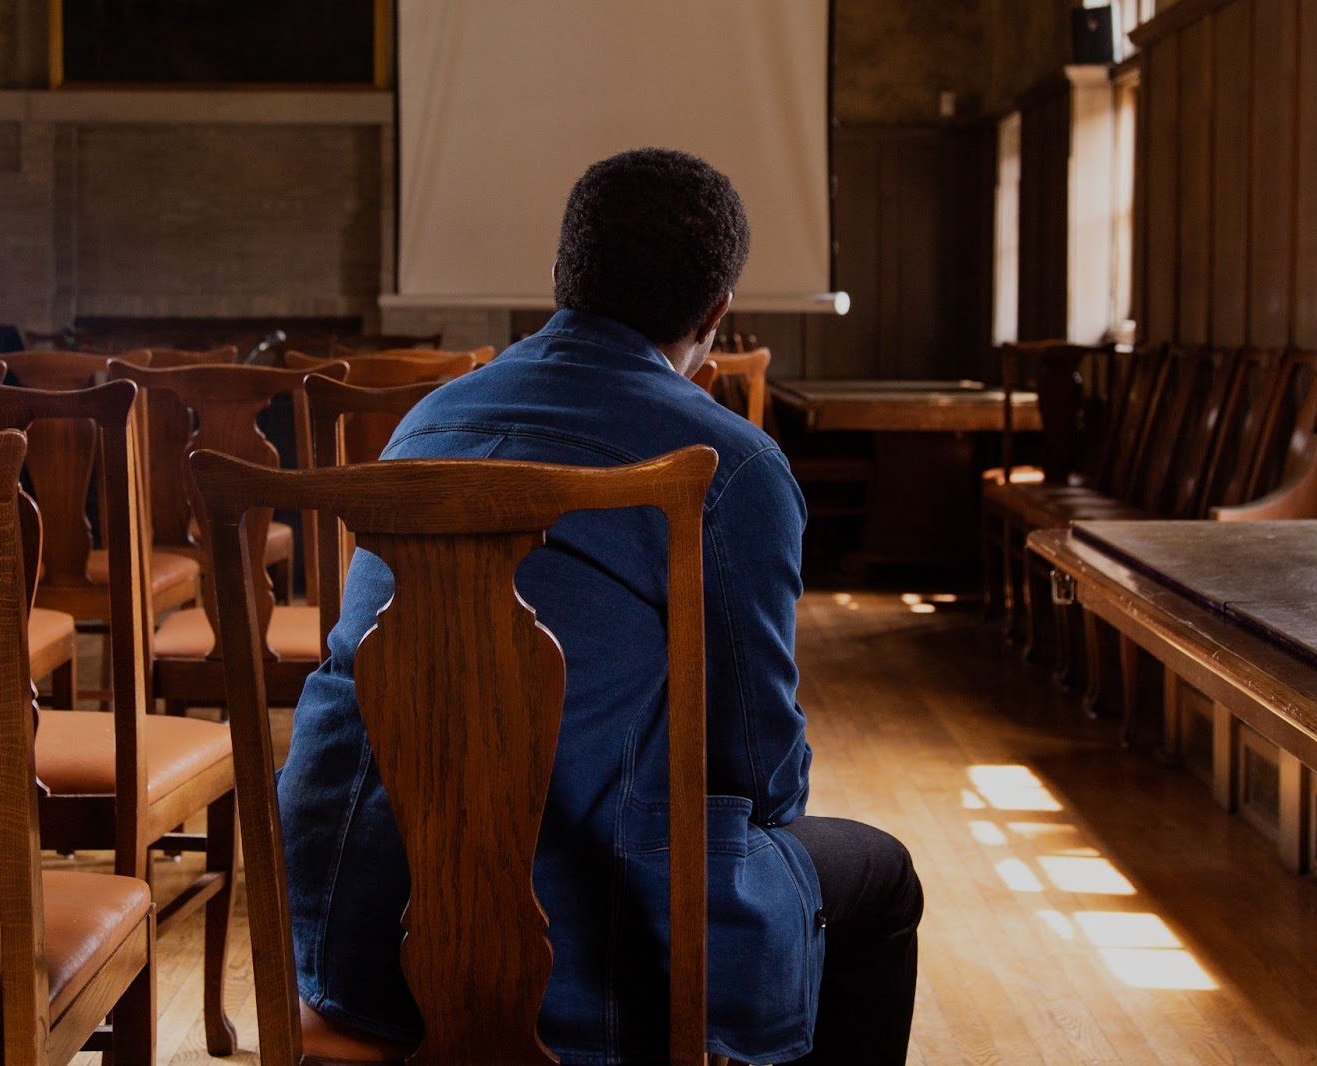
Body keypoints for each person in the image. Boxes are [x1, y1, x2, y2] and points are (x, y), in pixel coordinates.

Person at [280, 147, 922, 1065]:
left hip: (355, 930)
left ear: (560, 276)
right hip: (580, 963)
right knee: (881, 875)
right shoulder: (722, 466)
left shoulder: (427, 423)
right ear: (715, 317)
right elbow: (764, 772)